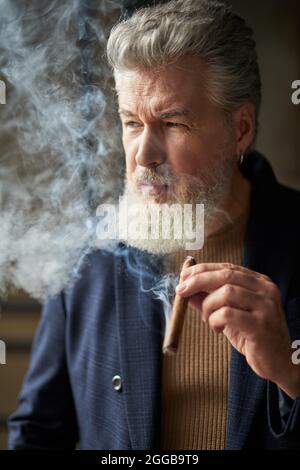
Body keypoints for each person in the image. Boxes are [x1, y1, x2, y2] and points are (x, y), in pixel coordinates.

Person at [8, 0, 300, 450]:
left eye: (173, 122)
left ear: (240, 129)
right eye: (131, 122)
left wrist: (290, 370)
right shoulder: (91, 252)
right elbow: (38, 433)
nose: (143, 155)